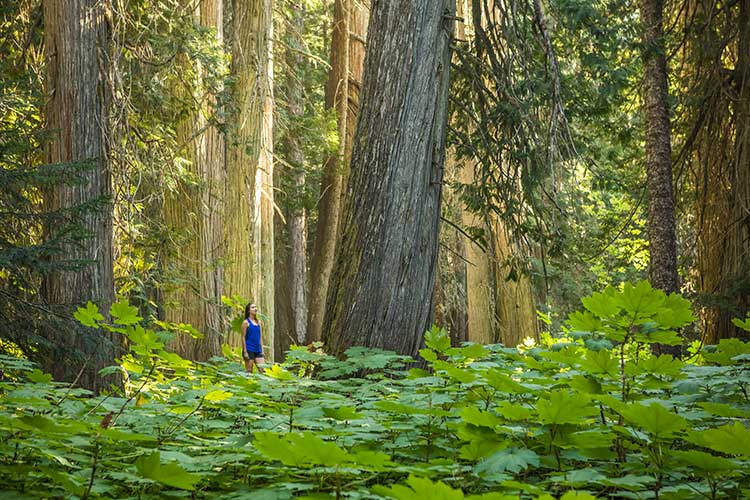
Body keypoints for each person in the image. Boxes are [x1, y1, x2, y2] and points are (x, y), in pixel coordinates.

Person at [242, 303, 265, 373]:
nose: (255, 309)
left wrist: (262, 350)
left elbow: (260, 337)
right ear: (249, 311)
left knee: (263, 370)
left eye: (255, 307)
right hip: (249, 349)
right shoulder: (246, 322)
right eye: (253, 307)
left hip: (258, 350)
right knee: (249, 371)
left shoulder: (259, 322)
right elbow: (243, 337)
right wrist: (245, 351)